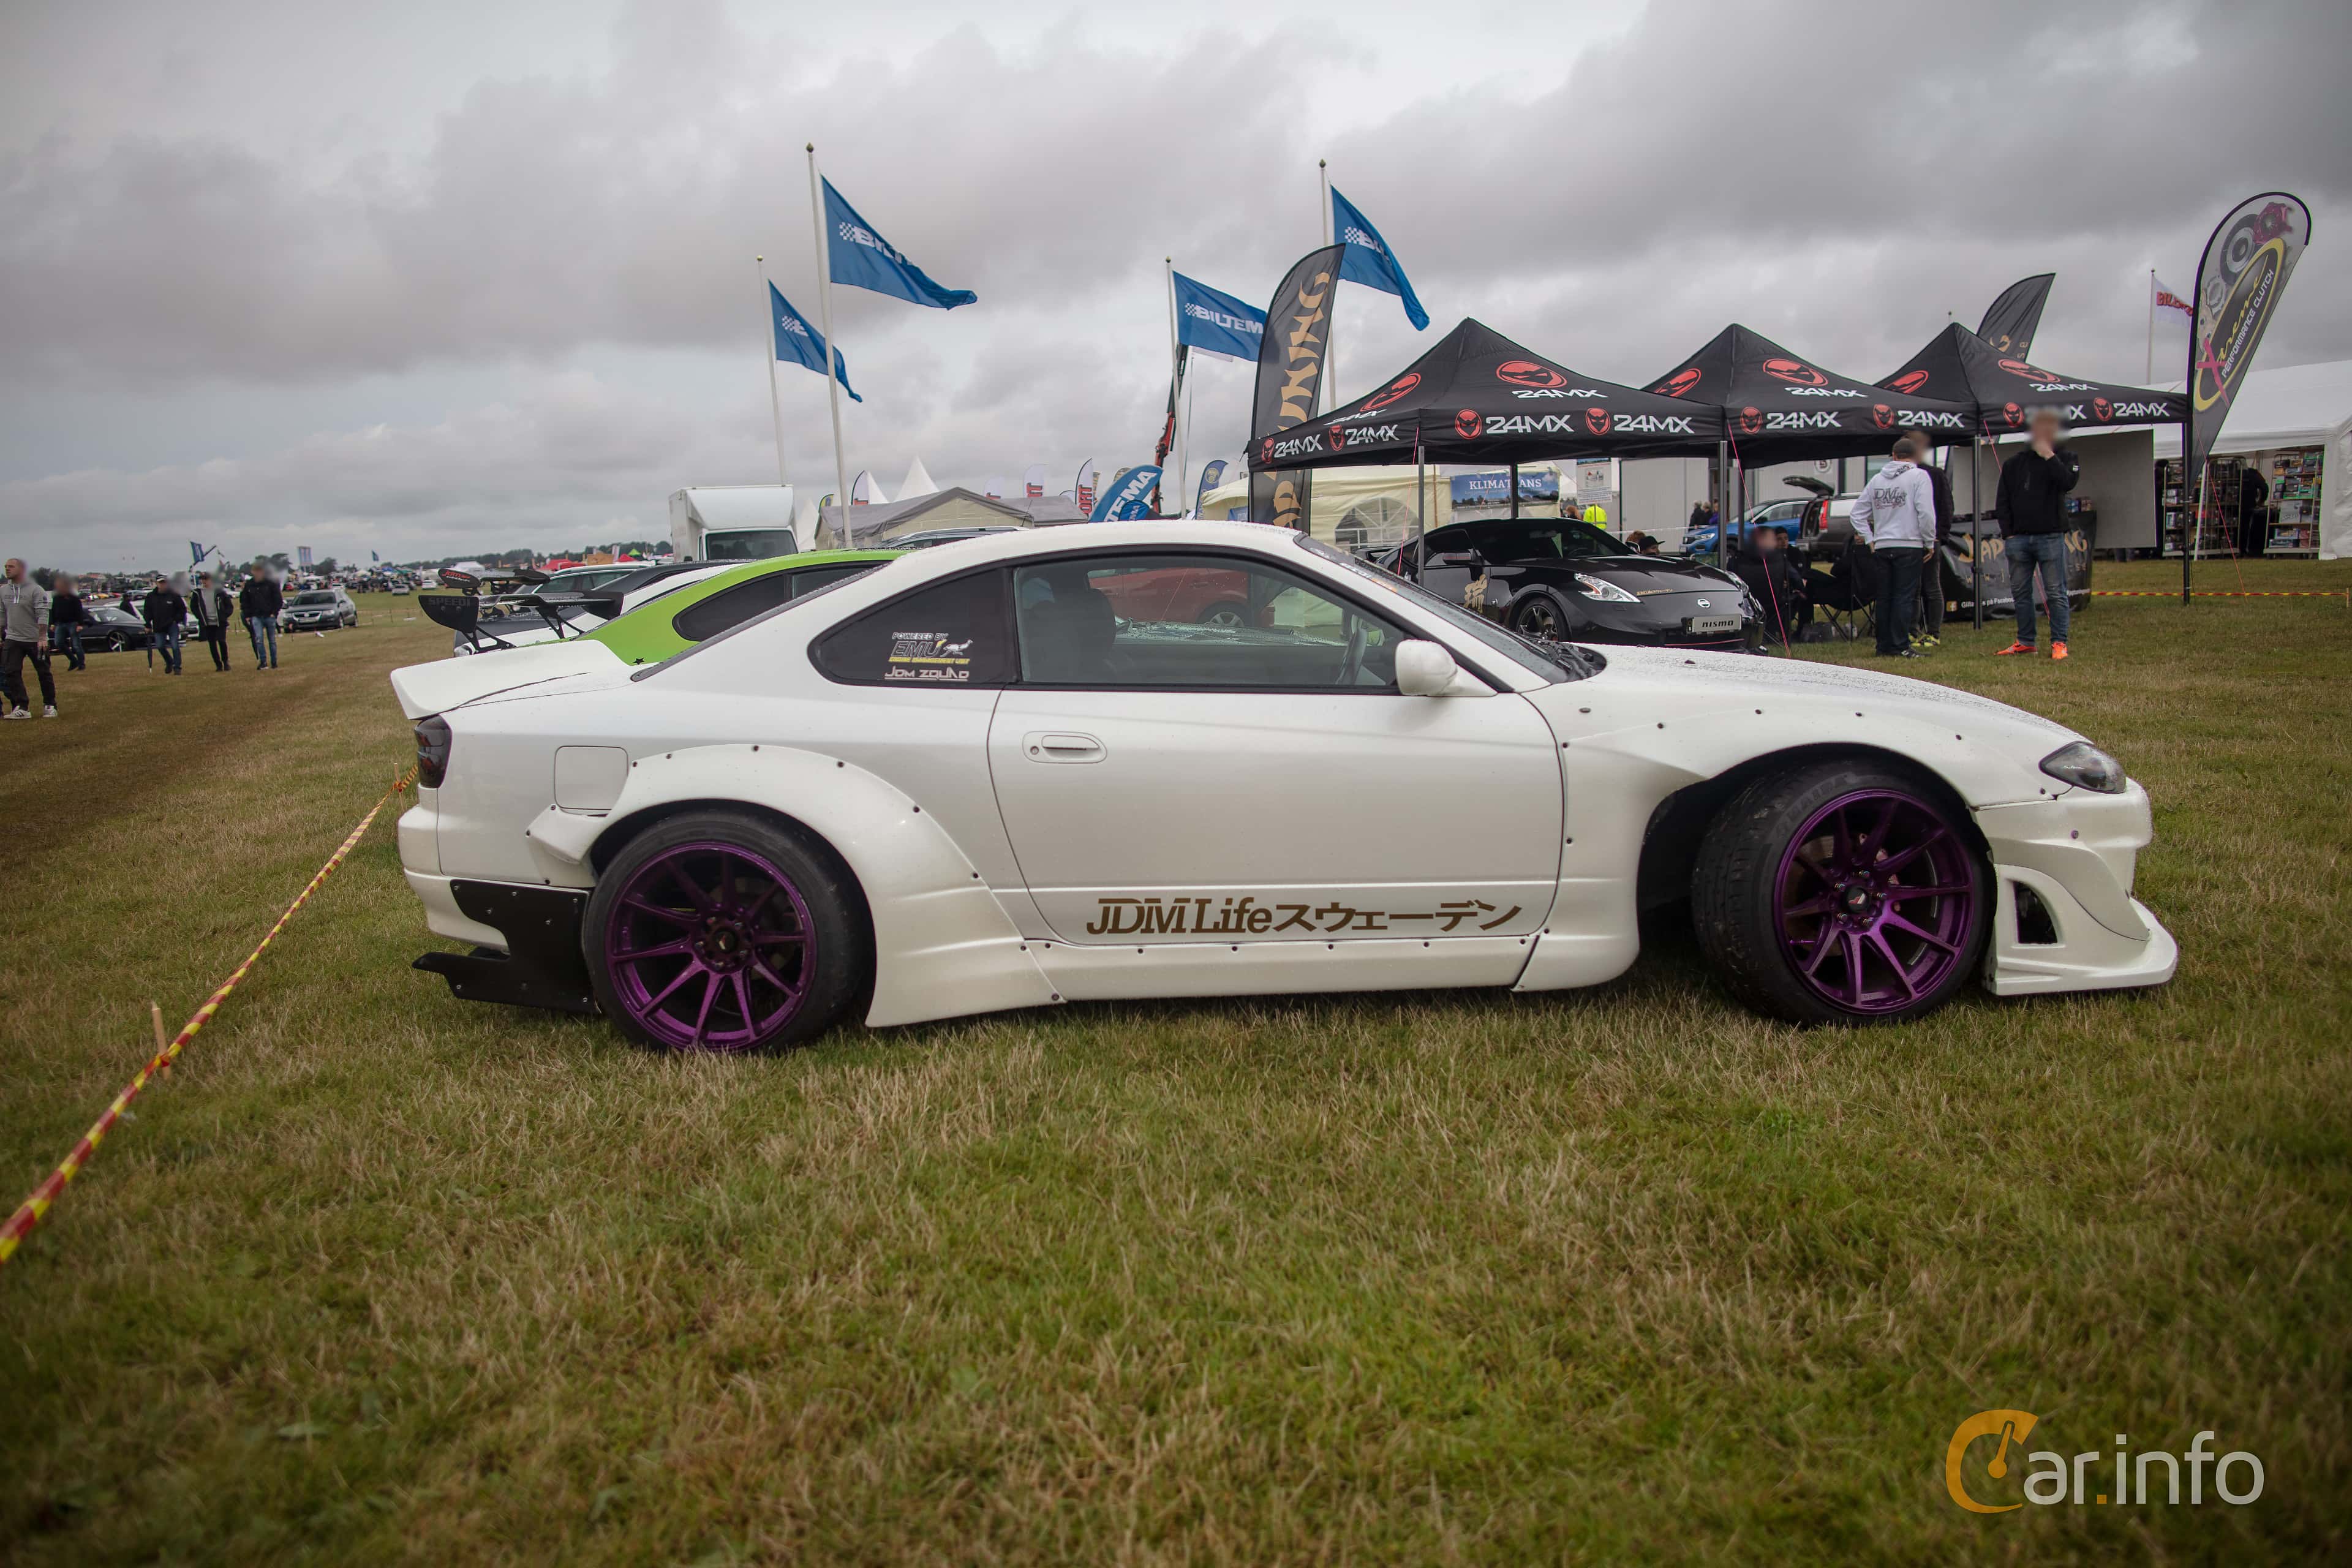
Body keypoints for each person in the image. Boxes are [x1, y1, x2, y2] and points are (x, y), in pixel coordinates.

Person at [1992, 408, 2082, 659]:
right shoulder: (2013, 464)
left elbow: (2068, 483)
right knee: (2021, 593)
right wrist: (2008, 534)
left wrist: (2049, 457)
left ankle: (2059, 643)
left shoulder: (2065, 457)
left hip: (2050, 536)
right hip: (2018, 539)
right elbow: (2003, 501)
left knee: (2055, 592)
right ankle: (2025, 641)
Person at [1849, 439, 1939, 658]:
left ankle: (1884, 645)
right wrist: (1929, 541)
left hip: (1883, 544)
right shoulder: (1919, 477)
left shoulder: (1877, 479)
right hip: (1909, 543)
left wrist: (1870, 538)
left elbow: (1857, 514)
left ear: (1894, 455)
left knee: (1885, 597)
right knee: (1904, 596)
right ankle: (1900, 645)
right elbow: (1926, 513)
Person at [1899, 428, 1956, 649]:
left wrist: (1938, 537)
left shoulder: (1934, 474)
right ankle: (1912, 630)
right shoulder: (1900, 476)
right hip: (1907, 540)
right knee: (1911, 588)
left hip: (1930, 539)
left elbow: (1945, 507)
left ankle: (1934, 632)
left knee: (1931, 587)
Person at [1732, 526, 1810, 647]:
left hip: (1747, 605)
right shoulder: (1779, 559)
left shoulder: (1738, 559)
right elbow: (1797, 580)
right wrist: (1799, 587)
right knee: (1796, 598)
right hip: (1775, 603)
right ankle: (1778, 633)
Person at [2, 557, 59, 718]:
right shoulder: (3, 591)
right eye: (6, 567)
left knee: (43, 672)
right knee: (11, 671)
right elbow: (1, 616)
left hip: (36, 639)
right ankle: (22, 707)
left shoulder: (36, 590)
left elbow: (43, 613)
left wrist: (42, 636)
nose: (7, 569)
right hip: (13, 638)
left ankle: (50, 705)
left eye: (11, 567)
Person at [144, 573, 189, 676]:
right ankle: (169, 661)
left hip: (172, 625)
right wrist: (147, 624)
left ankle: (177, 667)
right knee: (160, 646)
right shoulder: (151, 597)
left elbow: (182, 609)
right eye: (160, 583)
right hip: (158, 626)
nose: (163, 585)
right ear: (157, 584)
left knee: (175, 645)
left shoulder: (174, 595)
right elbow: (147, 611)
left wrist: (176, 620)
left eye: (164, 582)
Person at [190, 570, 235, 671]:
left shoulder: (219, 591)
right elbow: (194, 607)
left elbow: (229, 606)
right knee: (212, 644)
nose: (204, 582)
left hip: (220, 622)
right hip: (207, 623)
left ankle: (226, 662)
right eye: (202, 580)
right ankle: (218, 664)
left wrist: (224, 615)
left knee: (222, 641)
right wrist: (200, 617)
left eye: (206, 579)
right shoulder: (198, 593)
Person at [239, 564, 282, 670]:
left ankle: (274, 662)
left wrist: (274, 613)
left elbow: (278, 599)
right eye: (256, 571)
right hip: (256, 616)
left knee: (272, 640)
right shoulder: (249, 585)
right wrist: (248, 615)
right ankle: (263, 662)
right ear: (253, 572)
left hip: (269, 616)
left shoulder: (270, 583)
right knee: (259, 639)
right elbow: (244, 601)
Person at [51, 575, 88, 672]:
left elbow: (79, 611)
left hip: (73, 623)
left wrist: (80, 624)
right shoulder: (57, 597)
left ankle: (81, 664)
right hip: (60, 623)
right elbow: (53, 610)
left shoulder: (74, 597)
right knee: (58, 643)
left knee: (76, 645)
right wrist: (52, 623)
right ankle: (73, 660)